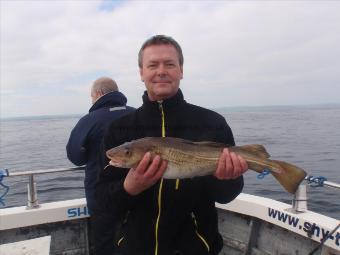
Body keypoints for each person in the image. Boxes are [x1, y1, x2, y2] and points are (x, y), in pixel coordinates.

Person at [95, 35, 248, 255]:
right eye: (152, 65)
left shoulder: (212, 123)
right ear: (141, 73)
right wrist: (129, 187)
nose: (161, 71)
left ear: (181, 70)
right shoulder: (119, 130)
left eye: (169, 64)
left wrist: (227, 178)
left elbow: (227, 195)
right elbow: (103, 202)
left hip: (196, 248)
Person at [66, 77, 135, 214]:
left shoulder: (88, 121)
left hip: (101, 198)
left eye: (91, 96)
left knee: (104, 234)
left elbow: (75, 158)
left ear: (98, 94)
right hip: (138, 193)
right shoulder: (137, 114)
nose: (91, 100)